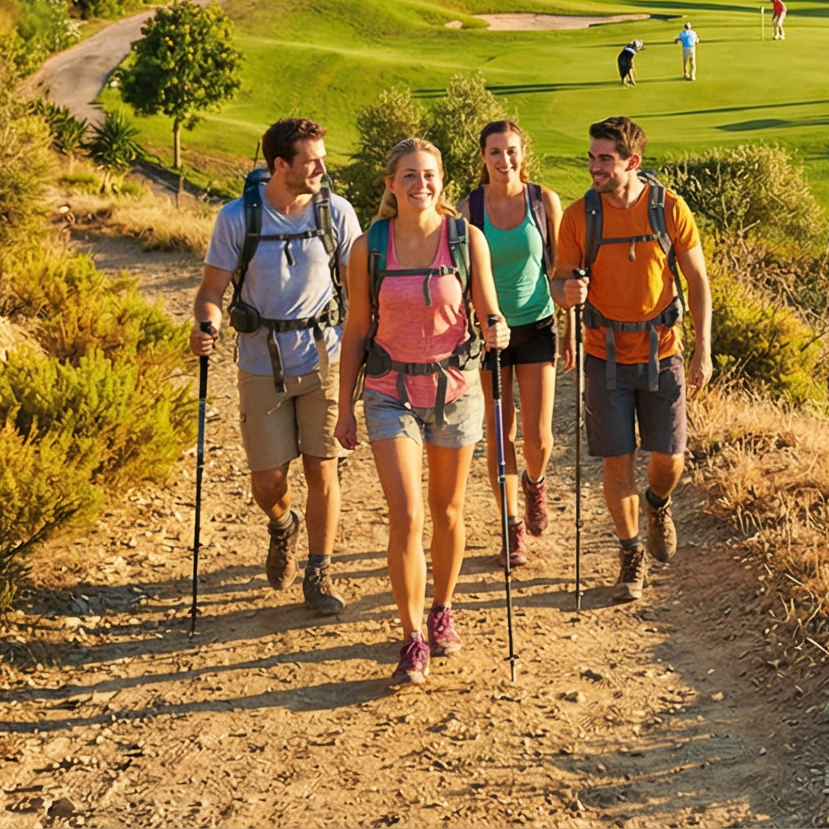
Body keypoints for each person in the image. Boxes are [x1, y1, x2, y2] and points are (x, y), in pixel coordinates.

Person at [338, 137, 508, 686]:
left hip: (455, 390)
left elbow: (488, 310)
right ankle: (412, 635)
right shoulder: (369, 248)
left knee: (448, 512)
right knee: (407, 515)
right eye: (409, 175)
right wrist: (344, 407)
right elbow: (356, 330)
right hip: (389, 391)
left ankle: (442, 608)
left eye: (429, 174)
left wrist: (497, 328)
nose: (421, 184)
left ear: (442, 181)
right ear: (390, 184)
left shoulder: (466, 239)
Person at [190, 117, 362, 617]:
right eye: (313, 161)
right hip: (260, 362)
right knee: (268, 481)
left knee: (322, 468)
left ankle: (319, 571)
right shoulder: (236, 218)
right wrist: (205, 324)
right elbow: (210, 292)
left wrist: (366, 344)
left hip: (324, 358)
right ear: (280, 165)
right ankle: (283, 525)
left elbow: (358, 290)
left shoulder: (337, 212)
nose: (323, 169)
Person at [553, 117, 714, 604]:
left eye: (605, 159)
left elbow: (698, 281)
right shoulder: (579, 216)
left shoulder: (669, 209)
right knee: (617, 460)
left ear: (633, 162)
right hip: (603, 356)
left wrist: (703, 348)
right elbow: (560, 282)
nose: (594, 167)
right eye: (592, 157)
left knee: (670, 457)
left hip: (662, 351)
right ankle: (630, 555)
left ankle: (657, 503)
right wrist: (566, 293)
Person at [465, 121, 567, 569]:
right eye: (495, 152)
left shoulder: (543, 201)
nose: (504, 160)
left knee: (539, 437)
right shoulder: (469, 209)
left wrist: (571, 331)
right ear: (483, 156)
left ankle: (534, 483)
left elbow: (561, 270)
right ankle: (511, 526)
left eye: (511, 151)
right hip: (490, 332)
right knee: (500, 434)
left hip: (538, 325)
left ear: (523, 154)